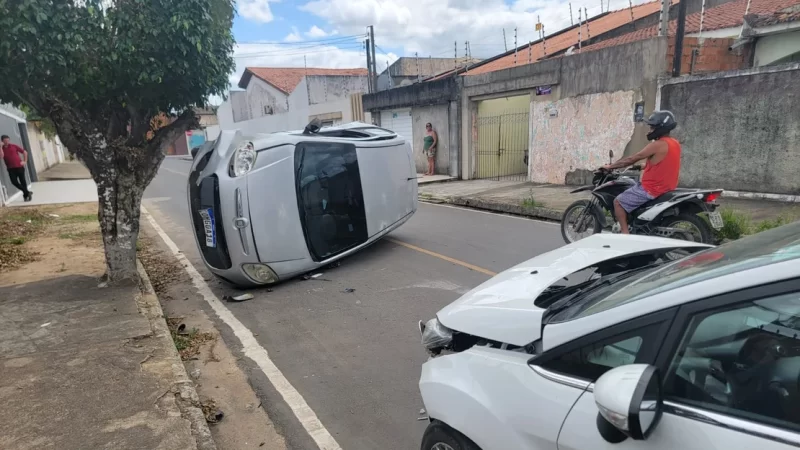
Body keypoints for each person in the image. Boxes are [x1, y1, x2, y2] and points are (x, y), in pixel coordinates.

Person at [601, 111, 680, 234]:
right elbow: (663, 163)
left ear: (660, 128)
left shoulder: (657, 145)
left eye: (652, 127)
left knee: (618, 202)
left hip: (652, 189)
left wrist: (611, 166)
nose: (650, 130)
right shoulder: (674, 143)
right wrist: (642, 166)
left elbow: (632, 159)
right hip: (667, 187)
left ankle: (625, 234)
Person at [1, 134, 32, 202]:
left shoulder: (13, 146)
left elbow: (24, 152)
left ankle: (26, 196)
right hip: (11, 168)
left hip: (19, 167)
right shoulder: (2, 149)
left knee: (23, 181)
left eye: (8, 140)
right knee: (14, 182)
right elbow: (1, 156)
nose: (7, 142)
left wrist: (25, 161)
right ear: (2, 141)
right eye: (5, 141)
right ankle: (27, 192)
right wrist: (0, 146)